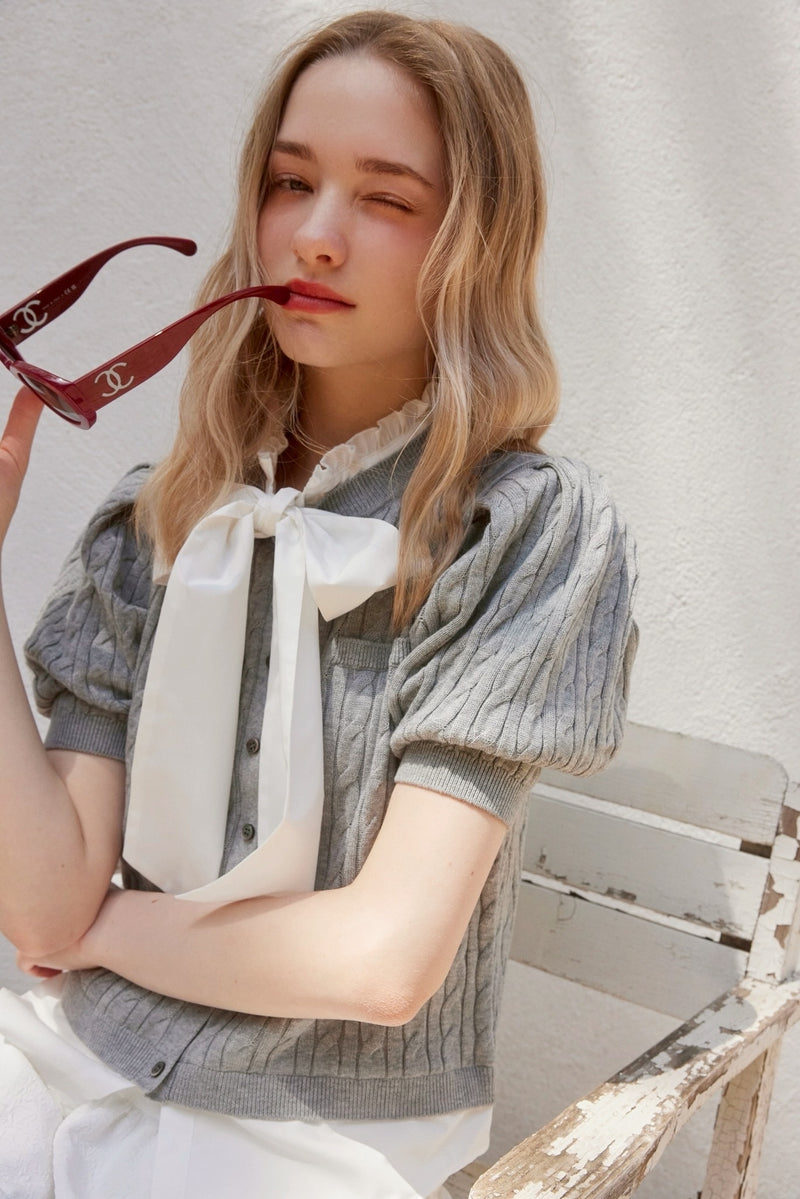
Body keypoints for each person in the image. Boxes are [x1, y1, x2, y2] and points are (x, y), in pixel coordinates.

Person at [0, 10, 637, 1199]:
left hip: (313, 1131)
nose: (315, 237)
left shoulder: (519, 530)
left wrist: (95, 932)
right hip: (71, 1052)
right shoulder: (158, 516)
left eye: (385, 198)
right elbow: (41, 898)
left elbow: (379, 964)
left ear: (476, 237)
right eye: (290, 183)